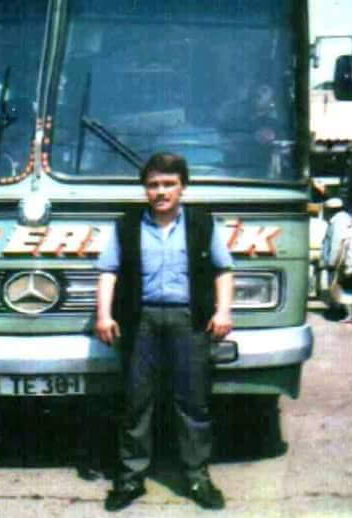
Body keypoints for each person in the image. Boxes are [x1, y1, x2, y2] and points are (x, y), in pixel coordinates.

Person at [94, 152, 234, 511]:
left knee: (192, 401)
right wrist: (104, 315)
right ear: (145, 189)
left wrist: (223, 311)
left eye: (169, 184)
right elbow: (108, 272)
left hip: (189, 320)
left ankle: (197, 477)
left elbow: (223, 270)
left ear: (182, 187)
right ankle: (130, 478)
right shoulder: (126, 226)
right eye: (153, 184)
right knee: (137, 401)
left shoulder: (203, 224)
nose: (161, 191)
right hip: (140, 320)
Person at [320, 197, 352, 319]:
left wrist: (331, 262)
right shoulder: (343, 218)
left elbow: (336, 243)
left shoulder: (338, 221)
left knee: (335, 287)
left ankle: (338, 310)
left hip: (336, 261)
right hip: (340, 259)